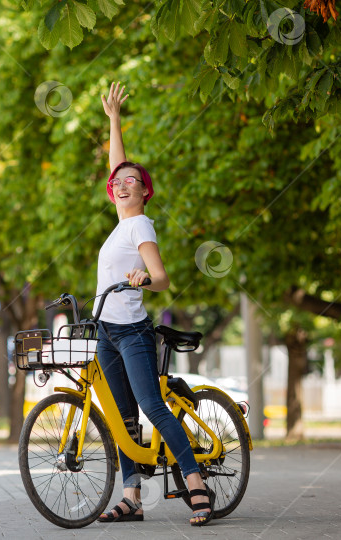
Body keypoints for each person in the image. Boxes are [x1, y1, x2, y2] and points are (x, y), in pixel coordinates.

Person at [94, 82, 214, 527]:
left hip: (131, 331)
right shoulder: (119, 224)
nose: (123, 184)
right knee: (123, 417)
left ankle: (195, 482)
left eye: (132, 182)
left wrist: (146, 278)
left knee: (152, 408)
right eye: (118, 183)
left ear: (145, 192)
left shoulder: (140, 224)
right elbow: (117, 164)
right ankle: (132, 499)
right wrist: (113, 120)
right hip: (106, 332)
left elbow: (162, 278)